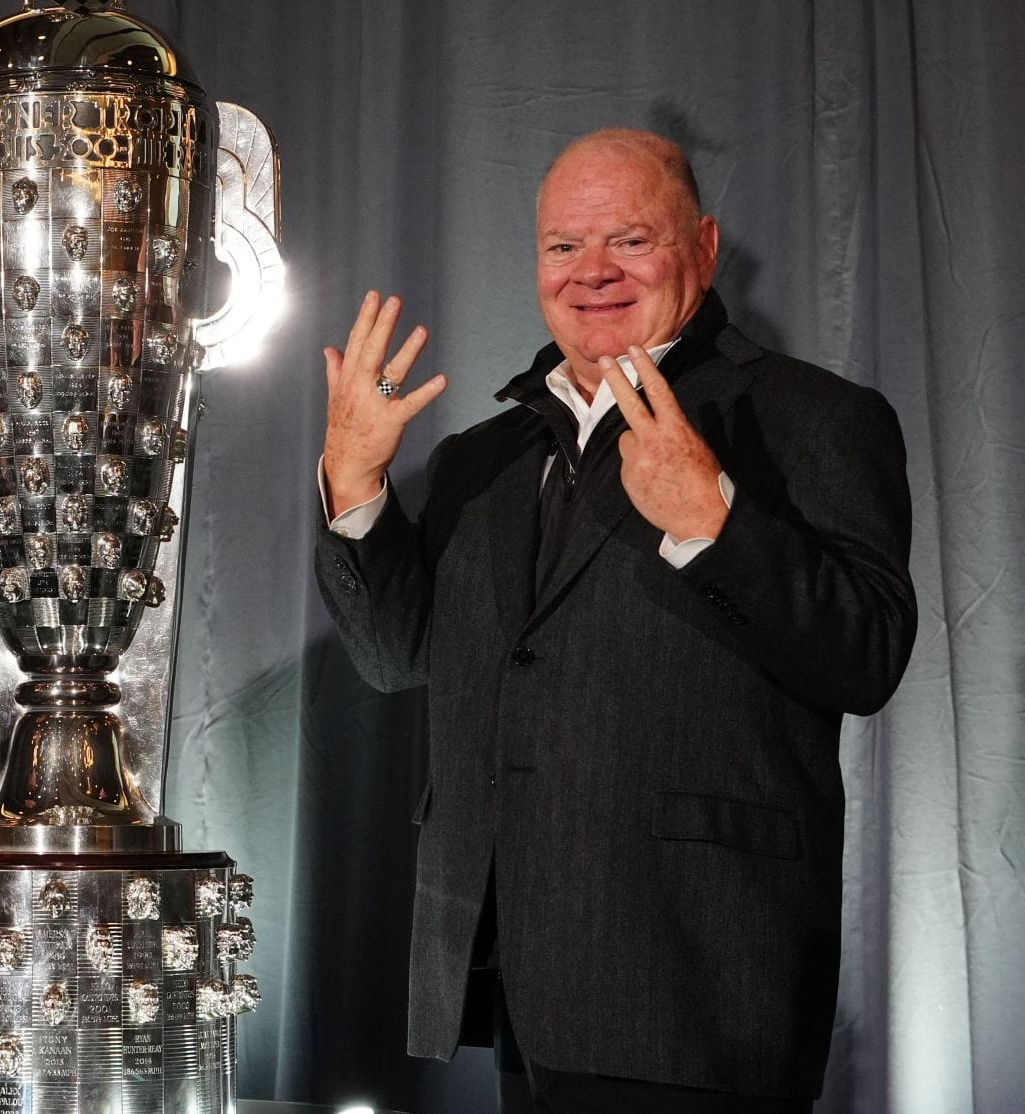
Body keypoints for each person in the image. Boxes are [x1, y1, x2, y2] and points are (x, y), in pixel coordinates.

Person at [315, 129, 916, 1112]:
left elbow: (869, 655)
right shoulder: (482, 458)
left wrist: (715, 523)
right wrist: (355, 483)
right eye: (564, 245)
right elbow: (395, 654)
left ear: (703, 247)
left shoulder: (814, 418)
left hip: (701, 984)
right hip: (522, 974)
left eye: (630, 239)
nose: (591, 271)